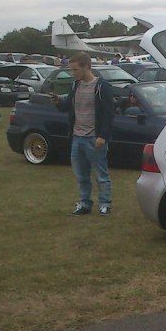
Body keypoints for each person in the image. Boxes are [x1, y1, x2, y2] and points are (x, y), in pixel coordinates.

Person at [61, 52, 115, 216]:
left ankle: (105, 204)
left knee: (101, 174)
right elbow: (68, 107)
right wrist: (58, 102)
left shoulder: (101, 86)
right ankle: (84, 203)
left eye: (76, 70)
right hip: (77, 137)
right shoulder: (75, 85)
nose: (73, 73)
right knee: (81, 175)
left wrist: (102, 136)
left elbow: (109, 113)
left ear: (87, 67)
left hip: (94, 138)